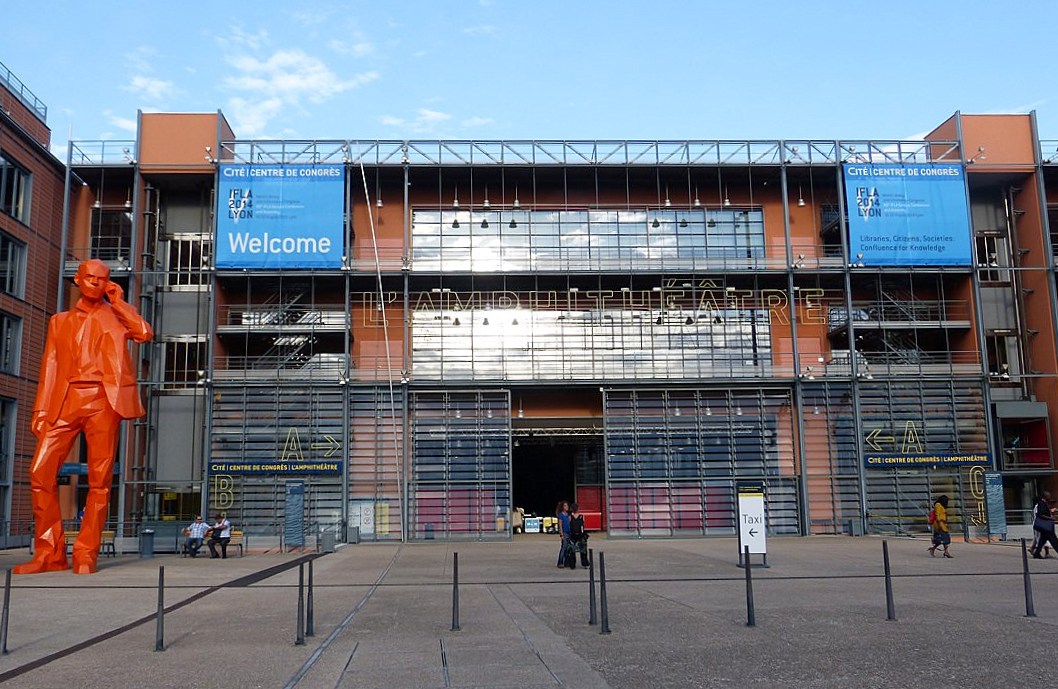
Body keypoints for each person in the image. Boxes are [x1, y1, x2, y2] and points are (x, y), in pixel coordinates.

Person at [14, 259, 153, 575]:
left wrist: (119, 302)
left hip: (104, 401)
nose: (94, 282)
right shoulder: (59, 321)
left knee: (99, 481)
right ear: (77, 280)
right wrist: (41, 409)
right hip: (65, 402)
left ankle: (86, 553)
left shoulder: (117, 317)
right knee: (40, 472)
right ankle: (50, 553)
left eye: (101, 279)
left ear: (108, 284)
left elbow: (144, 333)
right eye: (89, 277)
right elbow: (50, 366)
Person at [1031, 491, 1058, 559]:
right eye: (1048, 496)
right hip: (1046, 526)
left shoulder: (1043, 503)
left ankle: (1037, 553)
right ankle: (1037, 553)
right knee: (1054, 540)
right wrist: (1051, 518)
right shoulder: (1041, 503)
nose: (1049, 497)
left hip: (1046, 526)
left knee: (1042, 540)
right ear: (1045, 496)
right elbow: (1041, 514)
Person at [566, 503, 590, 569]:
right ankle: (585, 563)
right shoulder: (581, 516)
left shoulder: (570, 517)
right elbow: (583, 526)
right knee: (583, 550)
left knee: (572, 551)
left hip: (572, 535)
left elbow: (569, 526)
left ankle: (572, 564)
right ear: (578, 509)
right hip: (581, 535)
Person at [555, 501, 570, 568]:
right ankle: (560, 562)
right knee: (564, 548)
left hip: (569, 533)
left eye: (567, 505)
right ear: (562, 507)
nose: (567, 507)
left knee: (568, 548)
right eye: (565, 506)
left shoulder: (568, 515)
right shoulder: (561, 515)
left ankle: (567, 562)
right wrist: (561, 534)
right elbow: (560, 526)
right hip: (565, 533)